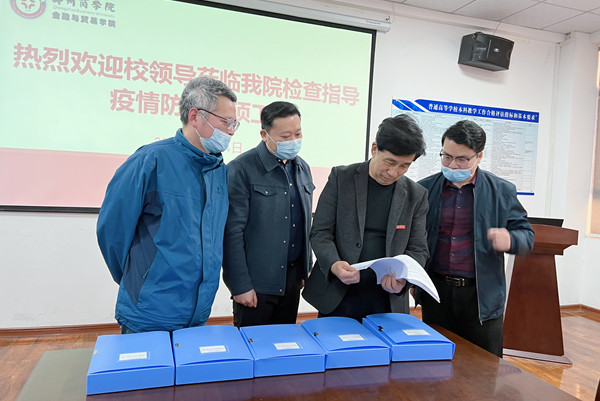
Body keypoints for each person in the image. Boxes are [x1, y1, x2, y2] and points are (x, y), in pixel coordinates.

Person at [96, 76, 239, 333]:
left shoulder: (219, 170)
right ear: (195, 116)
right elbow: (112, 231)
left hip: (197, 311)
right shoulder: (151, 160)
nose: (230, 131)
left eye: (234, 124)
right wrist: (138, 280)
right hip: (150, 311)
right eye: (225, 122)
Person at [416, 119, 534, 357]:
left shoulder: (501, 191)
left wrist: (510, 239)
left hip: (481, 296)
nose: (452, 164)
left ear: (479, 157)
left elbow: (527, 236)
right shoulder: (424, 190)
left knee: (485, 367)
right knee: (435, 363)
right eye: (446, 156)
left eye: (462, 159)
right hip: (436, 292)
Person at [302, 114, 429, 321]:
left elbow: (418, 249)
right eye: (389, 162)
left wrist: (403, 279)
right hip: (339, 292)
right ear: (374, 148)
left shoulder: (416, 195)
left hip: (387, 297)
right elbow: (321, 232)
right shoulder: (341, 178)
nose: (394, 172)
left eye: (404, 166)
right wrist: (334, 264)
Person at [223, 101, 315, 327]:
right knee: (253, 344)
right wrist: (239, 285)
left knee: (284, 342)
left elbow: (305, 224)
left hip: (292, 281)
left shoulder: (302, 168)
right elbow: (232, 232)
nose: (293, 140)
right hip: (257, 284)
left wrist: (307, 268)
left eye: (298, 133)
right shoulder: (241, 169)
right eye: (285, 136)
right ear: (265, 135)